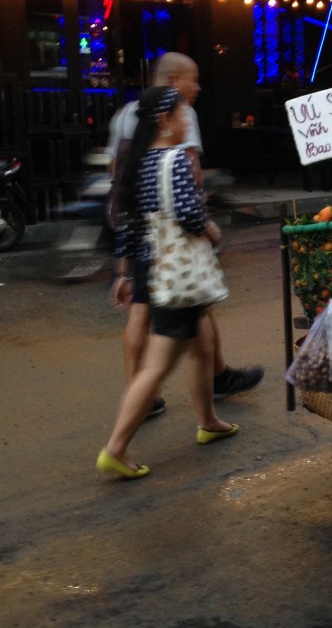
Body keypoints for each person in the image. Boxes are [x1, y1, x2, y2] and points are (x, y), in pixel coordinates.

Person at [107, 53, 262, 422]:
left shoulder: (126, 114)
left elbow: (117, 173)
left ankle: (151, 396)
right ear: (175, 80)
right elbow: (190, 174)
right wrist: (205, 224)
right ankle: (203, 391)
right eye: (193, 78)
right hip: (172, 248)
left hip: (143, 236)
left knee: (142, 313)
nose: (198, 87)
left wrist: (122, 271)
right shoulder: (177, 115)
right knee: (191, 321)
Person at [96, 86, 240, 480]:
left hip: (157, 268)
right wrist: (210, 229)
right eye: (181, 115)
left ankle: (208, 421)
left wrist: (125, 273)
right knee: (156, 367)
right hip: (179, 277)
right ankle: (116, 448)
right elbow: (189, 215)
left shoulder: (138, 161)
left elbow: (128, 222)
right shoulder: (174, 160)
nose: (185, 122)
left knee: (203, 346)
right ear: (164, 119)